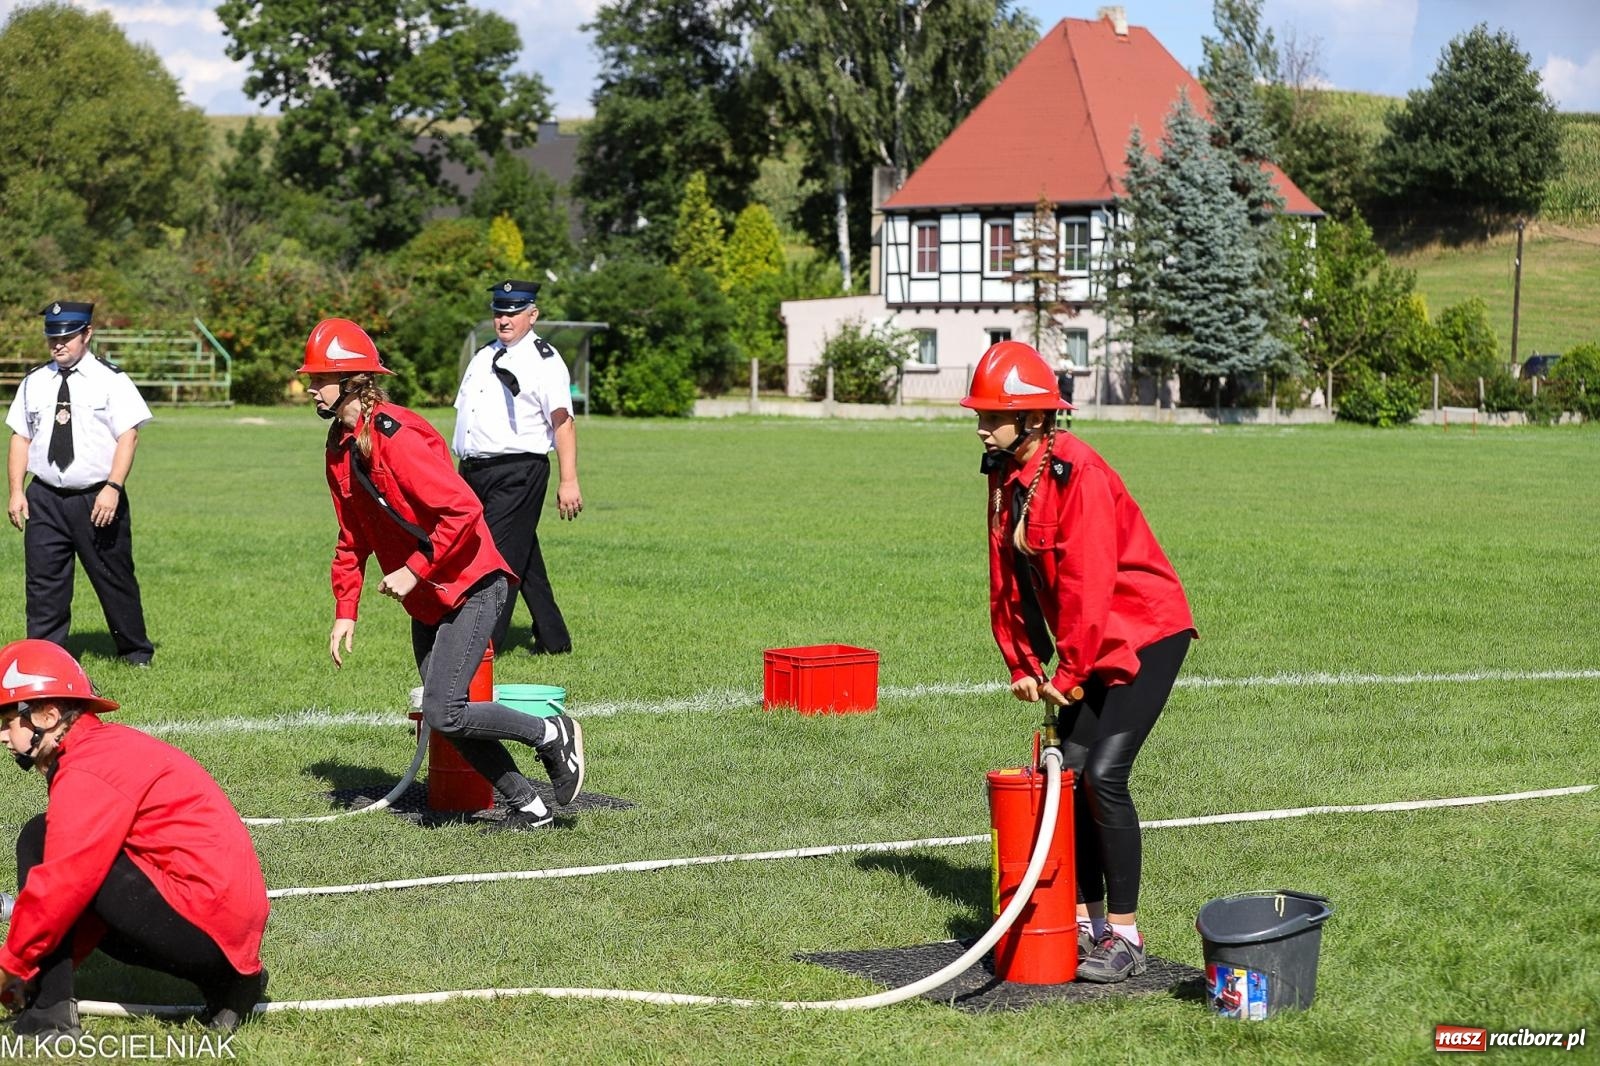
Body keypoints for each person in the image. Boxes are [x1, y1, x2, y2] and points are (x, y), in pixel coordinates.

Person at [960, 340, 1195, 984]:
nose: (980, 424)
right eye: (978, 412)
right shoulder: (1006, 473)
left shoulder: (1079, 472)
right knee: (1070, 780)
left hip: (1145, 632)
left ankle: (1125, 935)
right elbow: (1004, 577)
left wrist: (1066, 675)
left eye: (992, 413)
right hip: (1089, 640)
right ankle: (1088, 924)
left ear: (1035, 418)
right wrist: (1022, 662)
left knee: (1103, 776)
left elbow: (1091, 586)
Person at [300, 318, 586, 829]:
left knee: (444, 709)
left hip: (473, 585)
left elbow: (463, 510)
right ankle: (532, 805)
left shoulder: (398, 436)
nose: (309, 387)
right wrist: (346, 610)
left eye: (319, 378)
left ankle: (551, 733)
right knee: (444, 712)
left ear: (353, 382)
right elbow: (351, 536)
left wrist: (412, 568)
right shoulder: (339, 446)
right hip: (428, 597)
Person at [0, 639, 268, 1035]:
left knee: (40, 839)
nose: (3, 737)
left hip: (209, 922)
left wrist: (13, 967)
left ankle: (48, 1016)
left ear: (47, 716)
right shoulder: (102, 748)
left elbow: (64, 883)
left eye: (7, 723)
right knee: (61, 853)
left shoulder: (87, 769)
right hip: (225, 927)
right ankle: (230, 984)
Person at [5, 301, 154, 666]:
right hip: (44, 498)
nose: (59, 344)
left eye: (68, 336)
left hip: (97, 497)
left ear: (87, 334)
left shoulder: (111, 380)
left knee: (113, 577)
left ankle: (135, 652)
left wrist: (113, 488)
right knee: (44, 585)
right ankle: (45, 657)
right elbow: (20, 438)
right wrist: (15, 490)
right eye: (53, 337)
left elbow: (128, 436)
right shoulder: (34, 382)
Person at [452, 280, 582, 657]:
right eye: (498, 311)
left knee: (497, 560)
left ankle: (482, 648)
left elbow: (562, 422)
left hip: (518, 470)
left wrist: (568, 479)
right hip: (475, 471)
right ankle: (554, 639)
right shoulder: (483, 357)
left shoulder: (544, 361)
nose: (504, 319)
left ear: (532, 314)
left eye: (513, 311)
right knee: (521, 552)